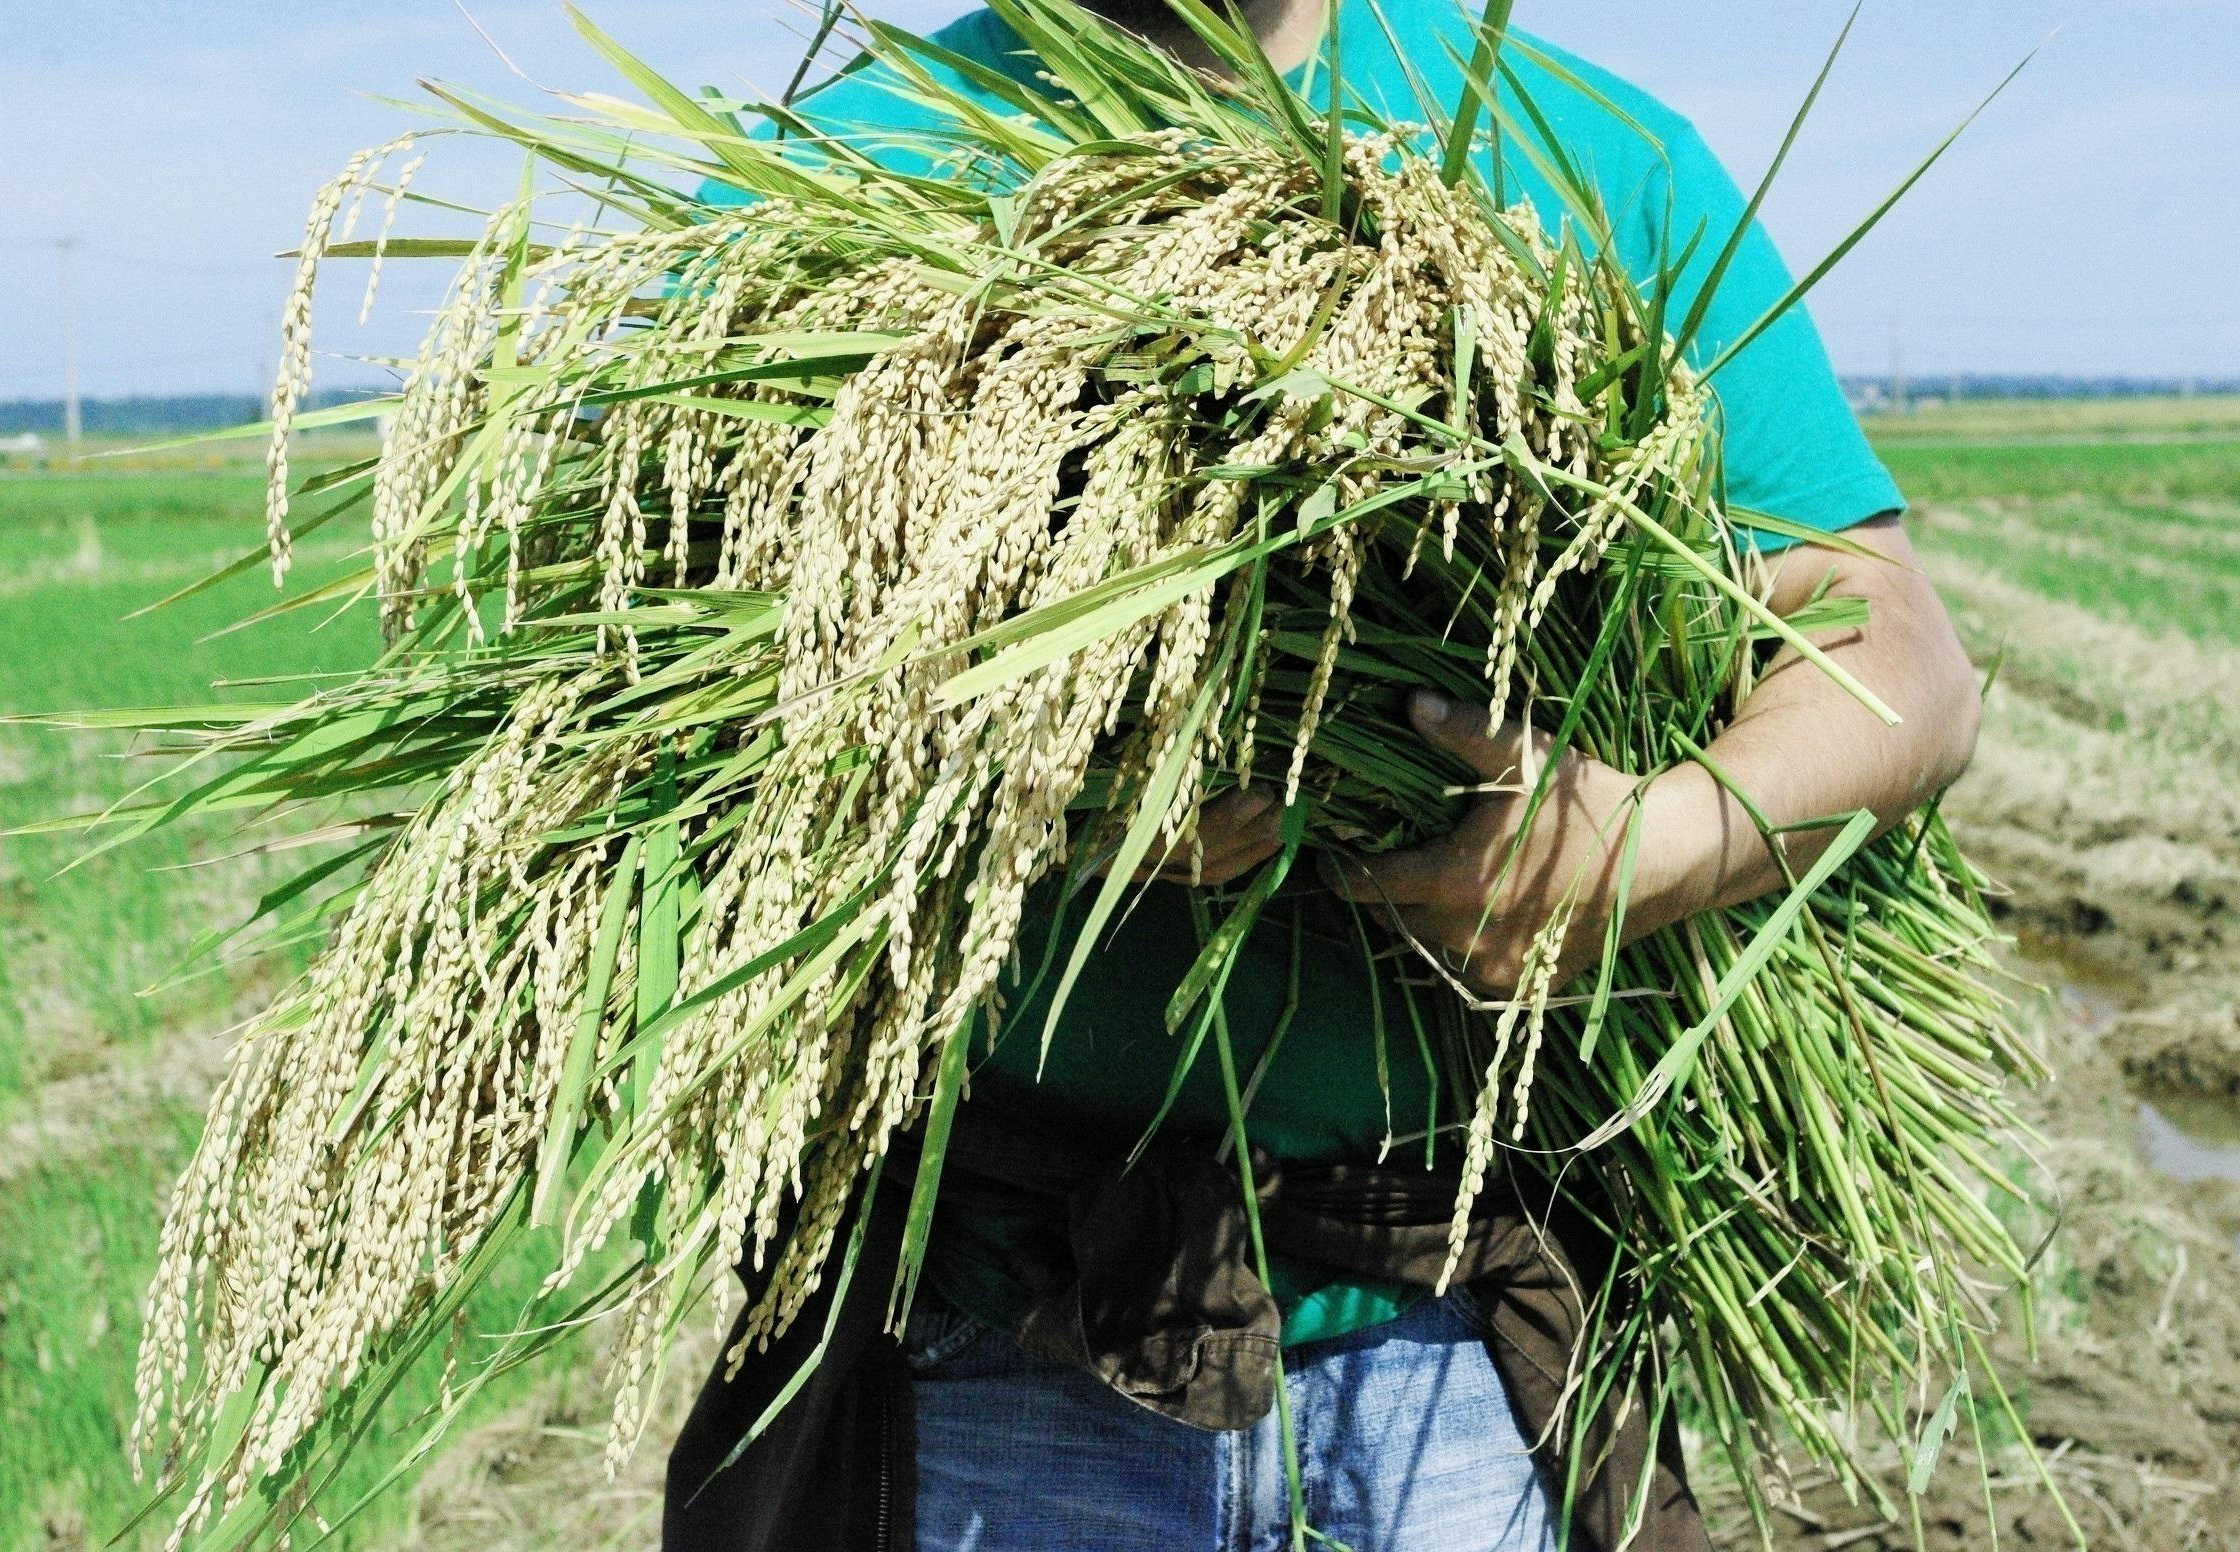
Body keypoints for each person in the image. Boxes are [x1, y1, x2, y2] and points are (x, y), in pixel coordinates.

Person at [667, 2, 1984, 1549]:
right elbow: (663, 730)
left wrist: (1658, 843)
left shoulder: (1592, 158)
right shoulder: (833, 177)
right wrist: (1002, 783)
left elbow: (1899, 656)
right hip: (997, 1336)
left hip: (1459, 1339)